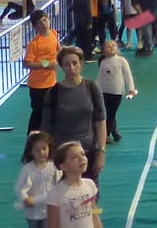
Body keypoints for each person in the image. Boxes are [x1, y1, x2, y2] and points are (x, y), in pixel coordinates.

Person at [40, 46, 107, 179]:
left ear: (81, 64)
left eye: (75, 63)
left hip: (87, 154)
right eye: (66, 64)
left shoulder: (92, 88)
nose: (71, 68)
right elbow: (45, 128)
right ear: (61, 67)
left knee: (88, 191)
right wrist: (46, 157)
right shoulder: (53, 93)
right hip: (61, 156)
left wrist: (101, 152)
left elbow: (100, 122)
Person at [49, 140, 104, 228]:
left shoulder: (90, 185)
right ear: (63, 166)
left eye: (82, 154)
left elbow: (95, 217)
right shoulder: (56, 193)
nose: (81, 159)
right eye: (74, 157)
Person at [16, 131, 59, 228]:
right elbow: (19, 187)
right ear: (30, 151)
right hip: (32, 212)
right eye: (37, 150)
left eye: (44, 149)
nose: (41, 153)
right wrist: (25, 199)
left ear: (49, 148)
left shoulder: (54, 167)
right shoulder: (27, 169)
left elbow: (58, 186)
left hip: (48, 210)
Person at [23, 10, 62, 136]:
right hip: (37, 86)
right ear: (35, 26)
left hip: (51, 82)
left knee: (51, 110)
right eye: (39, 23)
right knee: (38, 113)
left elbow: (58, 49)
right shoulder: (34, 44)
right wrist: (46, 64)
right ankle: (32, 137)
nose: (44, 24)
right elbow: (26, 63)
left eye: (45, 20)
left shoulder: (54, 34)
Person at [95, 39, 135, 144]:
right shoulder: (103, 62)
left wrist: (131, 89)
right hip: (105, 91)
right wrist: (95, 89)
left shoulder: (121, 61)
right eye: (108, 46)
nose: (112, 47)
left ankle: (108, 133)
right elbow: (100, 77)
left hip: (117, 92)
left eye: (113, 45)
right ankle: (112, 132)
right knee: (109, 112)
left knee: (111, 113)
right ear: (104, 51)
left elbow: (128, 75)